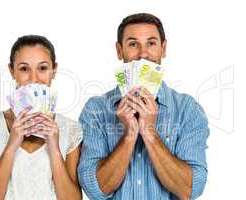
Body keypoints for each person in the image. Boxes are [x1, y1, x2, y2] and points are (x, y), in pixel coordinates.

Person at [78, 13, 209, 200]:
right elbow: (95, 190)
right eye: (133, 44)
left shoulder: (188, 110)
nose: (143, 54)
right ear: (119, 50)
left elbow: (190, 189)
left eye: (151, 43)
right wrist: (130, 134)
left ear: (163, 49)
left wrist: (149, 131)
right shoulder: (96, 110)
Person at [0, 35, 83, 200]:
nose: (34, 79)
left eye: (43, 68)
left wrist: (54, 148)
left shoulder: (71, 129)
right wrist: (11, 145)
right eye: (24, 69)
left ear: (54, 70)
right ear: (12, 71)